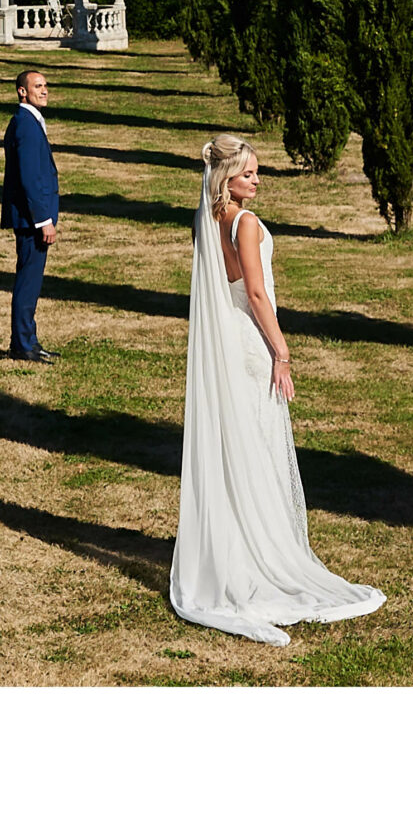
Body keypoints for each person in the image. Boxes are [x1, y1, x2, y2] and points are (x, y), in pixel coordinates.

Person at [170, 132, 386, 646]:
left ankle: (233, 548)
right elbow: (258, 293)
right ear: (227, 178)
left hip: (228, 343)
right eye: (248, 174)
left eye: (257, 172)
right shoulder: (244, 223)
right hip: (250, 343)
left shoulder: (207, 220)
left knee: (238, 448)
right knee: (262, 450)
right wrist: (282, 352)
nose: (257, 180)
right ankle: (259, 555)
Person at [0, 65, 61, 364]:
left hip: (32, 218)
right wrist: (43, 219)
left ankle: (29, 340)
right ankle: (22, 344)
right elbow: (30, 177)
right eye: (37, 86)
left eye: (45, 85)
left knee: (31, 282)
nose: (44, 90)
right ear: (22, 91)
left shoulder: (30, 121)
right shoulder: (24, 123)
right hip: (31, 220)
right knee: (27, 282)